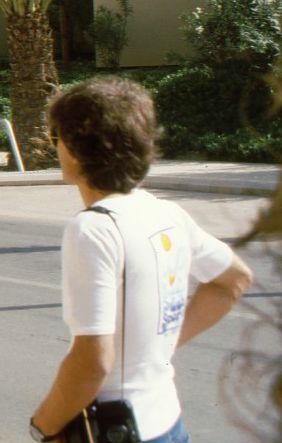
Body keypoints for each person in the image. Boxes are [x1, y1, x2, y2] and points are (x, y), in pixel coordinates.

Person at [29, 77, 253, 443]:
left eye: (57, 137)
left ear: (73, 149)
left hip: (120, 430)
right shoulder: (166, 213)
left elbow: (93, 361)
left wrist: (43, 428)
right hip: (168, 424)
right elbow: (234, 280)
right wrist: (156, 348)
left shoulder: (93, 229)